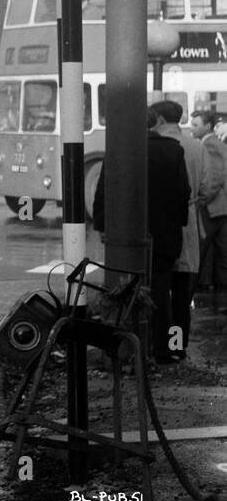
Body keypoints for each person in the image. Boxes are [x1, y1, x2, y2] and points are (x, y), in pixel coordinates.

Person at [93, 107, 189, 364]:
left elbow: (103, 190)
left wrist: (102, 225)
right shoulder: (173, 150)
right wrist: (179, 223)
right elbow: (183, 193)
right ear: (154, 123)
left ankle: (124, 349)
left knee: (124, 290)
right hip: (164, 236)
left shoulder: (118, 149)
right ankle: (161, 350)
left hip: (125, 234)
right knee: (160, 293)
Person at [152, 101, 207, 359]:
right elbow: (205, 188)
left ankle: (160, 343)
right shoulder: (197, 146)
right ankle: (177, 346)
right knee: (182, 291)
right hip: (189, 223)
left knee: (160, 288)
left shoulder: (155, 146)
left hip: (161, 224)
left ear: (160, 119)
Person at [190, 108, 227, 313]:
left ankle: (205, 294)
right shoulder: (217, 143)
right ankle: (220, 293)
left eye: (196, 125)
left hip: (213, 208)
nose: (192, 128)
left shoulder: (210, 145)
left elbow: (214, 178)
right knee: (222, 253)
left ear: (208, 126)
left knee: (202, 250)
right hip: (221, 207)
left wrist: (202, 199)